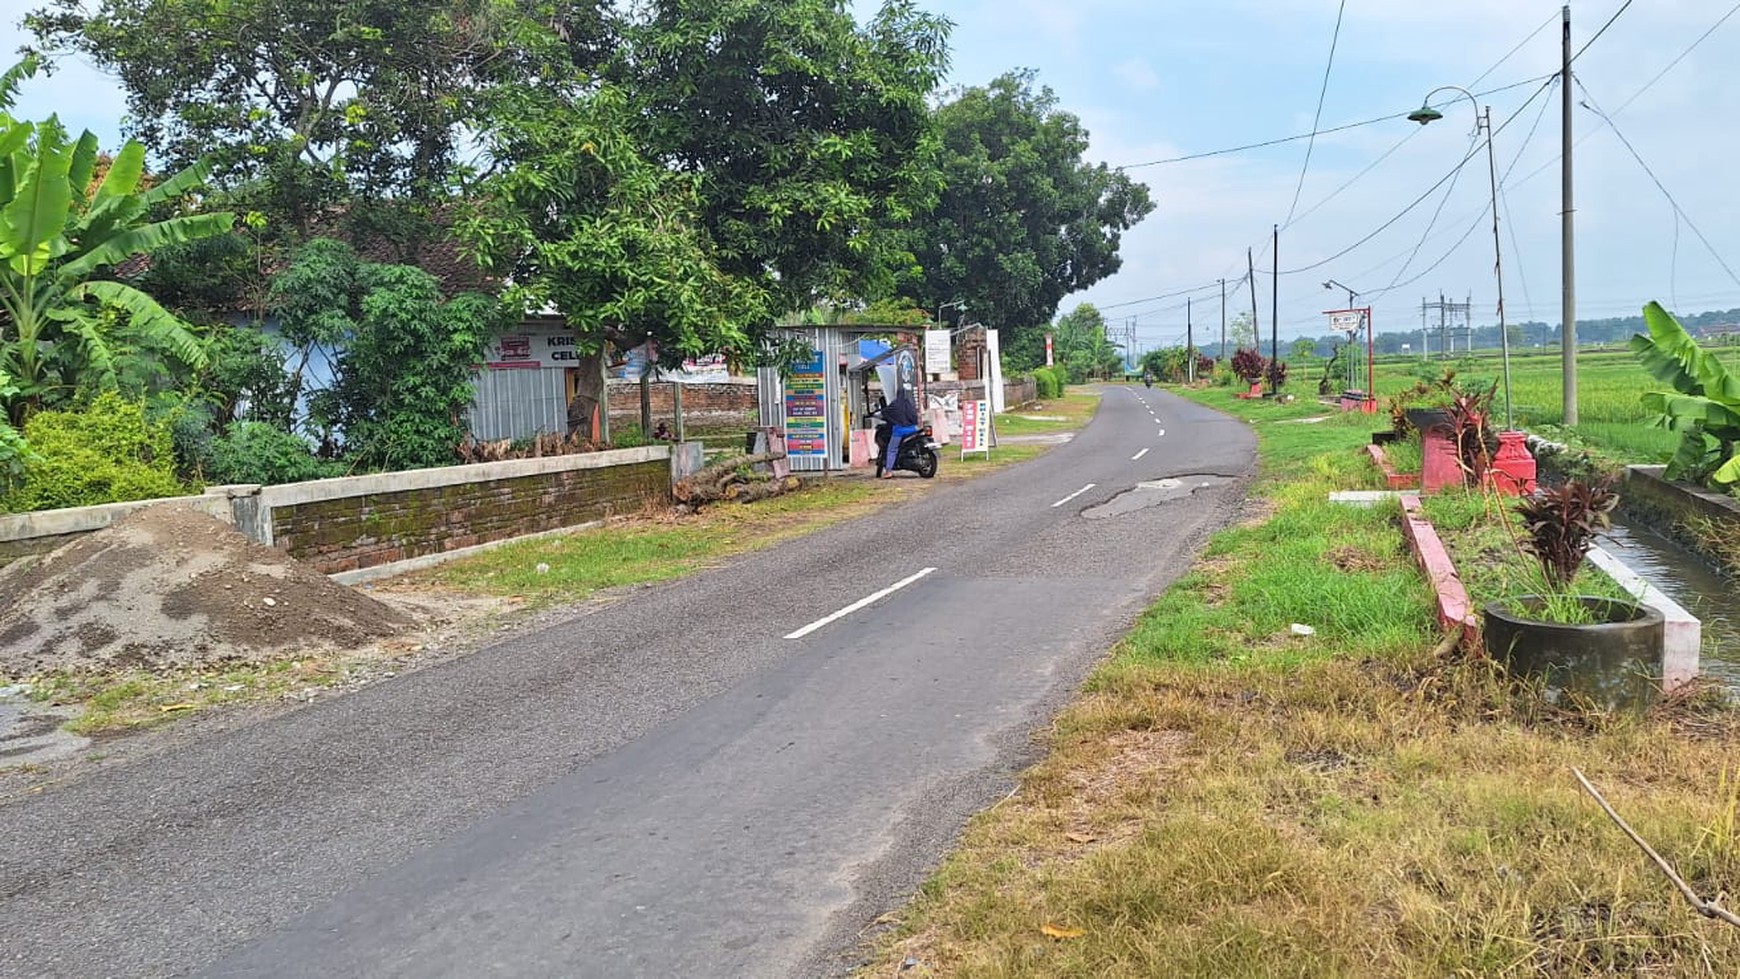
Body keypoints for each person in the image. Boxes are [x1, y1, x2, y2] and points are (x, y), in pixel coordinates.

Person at [880, 387, 919, 478]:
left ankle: (889, 471)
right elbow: (914, 416)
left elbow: (886, 412)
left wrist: (883, 412)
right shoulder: (909, 404)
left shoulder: (895, 405)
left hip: (899, 431)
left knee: (892, 449)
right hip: (913, 430)